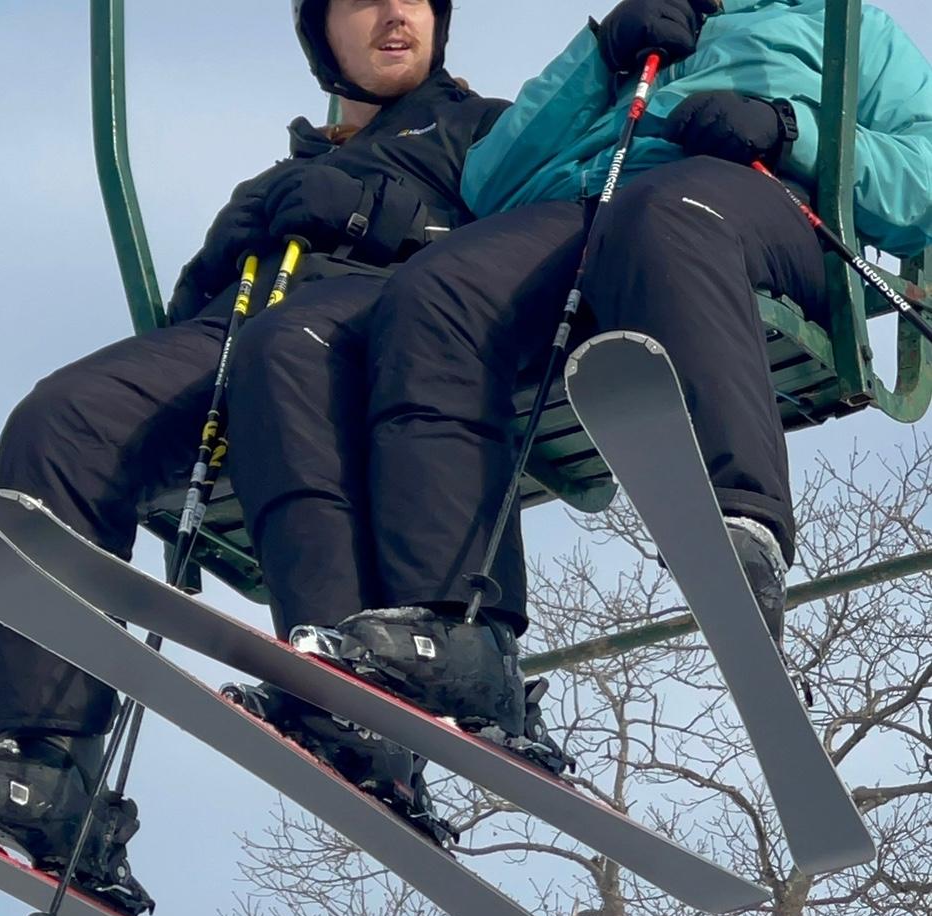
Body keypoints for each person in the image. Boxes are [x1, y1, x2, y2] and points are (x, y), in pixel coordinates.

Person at [0, 0, 509, 915]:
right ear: (321, 37)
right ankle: (51, 767)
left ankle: (351, 685)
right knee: (63, 420)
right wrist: (235, 249)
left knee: (284, 356)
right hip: (244, 335)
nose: (391, 16)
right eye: (361, 2)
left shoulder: (482, 132)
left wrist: (378, 214)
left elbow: (523, 251)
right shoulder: (277, 180)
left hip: (381, 329)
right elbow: (193, 311)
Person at [340, 0, 932, 673]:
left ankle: (740, 527)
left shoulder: (837, 24)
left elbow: (924, 179)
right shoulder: (647, 32)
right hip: (588, 211)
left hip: (749, 206)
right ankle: (456, 632)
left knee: (666, 215)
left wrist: (788, 129)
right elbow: (489, 182)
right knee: (438, 288)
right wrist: (601, 56)